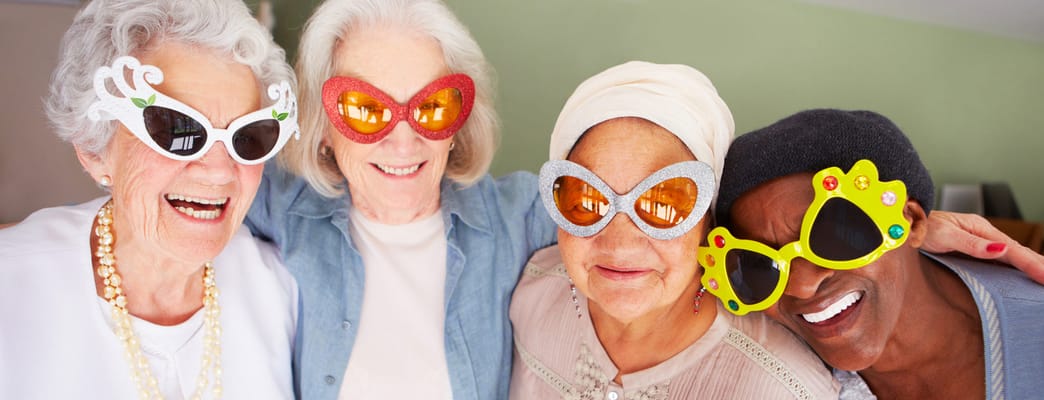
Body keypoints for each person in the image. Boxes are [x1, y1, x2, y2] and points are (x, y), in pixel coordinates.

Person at [245, 0, 555, 398]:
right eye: (365, 110)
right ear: (323, 127)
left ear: (459, 122)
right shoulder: (275, 205)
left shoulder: (523, 218)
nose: (404, 141)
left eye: (433, 107)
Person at [0, 0, 299, 398]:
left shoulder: (281, 289)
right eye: (178, 131)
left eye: (248, 136)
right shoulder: (12, 287)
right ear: (94, 149)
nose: (219, 170)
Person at [510, 61, 838, 398]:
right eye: (586, 199)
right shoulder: (530, 294)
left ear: (708, 220)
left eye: (664, 204)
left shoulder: (782, 387)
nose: (621, 245)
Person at [705, 109, 1044, 399]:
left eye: (834, 234)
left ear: (909, 220)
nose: (801, 286)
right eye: (758, 264)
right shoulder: (769, 364)